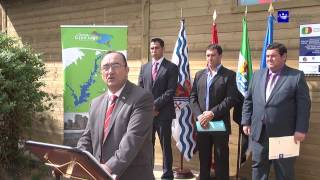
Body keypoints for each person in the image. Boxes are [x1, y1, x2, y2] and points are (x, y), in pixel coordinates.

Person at [77, 51, 154, 180]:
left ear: (127, 70)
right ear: (101, 73)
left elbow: (132, 139)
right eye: (105, 67)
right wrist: (77, 160)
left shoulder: (141, 98)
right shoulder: (96, 103)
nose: (110, 71)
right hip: (98, 175)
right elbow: (87, 138)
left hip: (132, 175)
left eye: (116, 65)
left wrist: (109, 167)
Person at [241, 42, 311, 180]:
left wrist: (301, 129)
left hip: (284, 135)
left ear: (284, 56)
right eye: (267, 56)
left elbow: (304, 106)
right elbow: (248, 100)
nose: (269, 59)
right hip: (259, 133)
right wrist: (246, 121)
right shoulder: (257, 75)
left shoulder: (296, 77)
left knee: (284, 172)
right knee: (258, 169)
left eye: (273, 56)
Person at [190, 44, 238, 180]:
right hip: (202, 124)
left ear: (220, 56)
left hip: (219, 123)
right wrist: (199, 115)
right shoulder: (199, 75)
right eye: (208, 55)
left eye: (213, 55)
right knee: (204, 158)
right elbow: (192, 97)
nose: (210, 58)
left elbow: (231, 99)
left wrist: (212, 113)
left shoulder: (229, 75)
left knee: (221, 158)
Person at [138, 38, 178, 180]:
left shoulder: (171, 67)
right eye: (152, 48)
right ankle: (148, 173)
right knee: (148, 146)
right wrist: (148, 108)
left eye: (156, 48)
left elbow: (171, 91)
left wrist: (154, 105)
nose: (154, 50)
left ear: (163, 49)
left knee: (165, 146)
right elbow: (140, 90)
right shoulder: (145, 67)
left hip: (164, 114)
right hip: (148, 115)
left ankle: (167, 175)